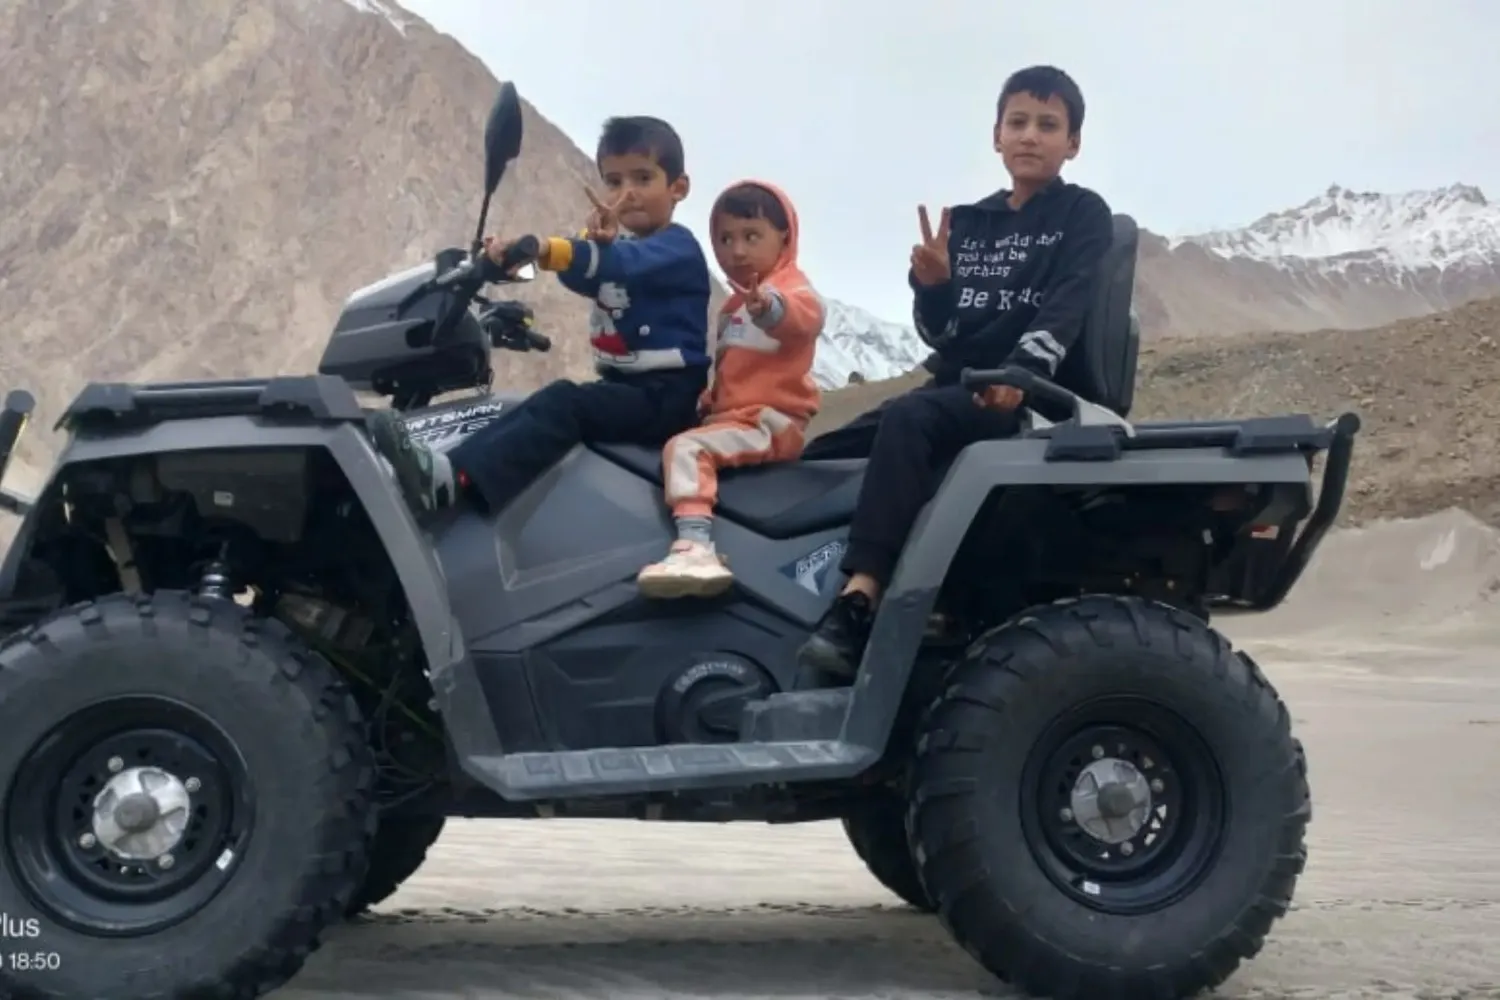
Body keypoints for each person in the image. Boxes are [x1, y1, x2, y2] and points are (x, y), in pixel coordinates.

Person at [795, 64, 1115, 681]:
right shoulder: (966, 224)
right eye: (1017, 122)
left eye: (1048, 125)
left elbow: (1068, 303)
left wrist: (1021, 374)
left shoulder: (1081, 214)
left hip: (1029, 396)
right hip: (958, 387)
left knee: (913, 419)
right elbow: (943, 337)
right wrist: (936, 287)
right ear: (996, 135)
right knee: (820, 456)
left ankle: (860, 598)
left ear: (1073, 143)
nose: (1030, 135)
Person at [366, 115, 713, 517]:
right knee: (518, 408)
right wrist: (577, 242)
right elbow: (583, 278)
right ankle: (437, 469)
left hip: (666, 396)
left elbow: (621, 264)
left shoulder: (677, 249)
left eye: (642, 178)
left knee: (563, 403)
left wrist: (543, 249)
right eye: (614, 182)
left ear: (678, 188)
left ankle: (452, 482)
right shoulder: (619, 249)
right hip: (632, 388)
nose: (627, 194)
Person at [636, 180, 824, 598]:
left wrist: (770, 309)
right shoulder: (732, 308)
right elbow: (731, 375)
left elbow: (802, 320)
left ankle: (695, 546)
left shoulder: (791, 291)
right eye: (724, 239)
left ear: (785, 238)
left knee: (686, 450)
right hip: (735, 415)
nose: (736, 251)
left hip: (771, 421)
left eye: (751, 236)